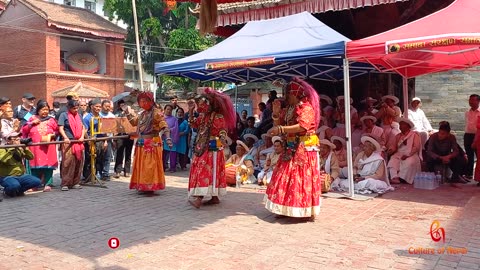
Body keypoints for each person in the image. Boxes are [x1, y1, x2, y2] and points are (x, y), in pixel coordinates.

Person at [265, 77, 321, 221]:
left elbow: (303, 126)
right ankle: (283, 207)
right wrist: (276, 113)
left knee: (300, 178)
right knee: (284, 176)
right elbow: (279, 123)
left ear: (295, 94)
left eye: (288, 94)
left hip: (304, 148)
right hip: (290, 147)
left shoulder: (306, 108)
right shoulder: (289, 108)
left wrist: (280, 129)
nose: (285, 97)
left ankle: (304, 210)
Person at [187, 88, 235, 208]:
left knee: (206, 170)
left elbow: (223, 130)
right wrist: (191, 111)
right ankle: (214, 197)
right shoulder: (203, 117)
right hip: (202, 147)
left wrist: (223, 138)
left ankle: (199, 198)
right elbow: (194, 125)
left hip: (212, 149)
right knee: (208, 171)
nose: (201, 106)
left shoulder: (218, 117)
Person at [125, 92, 172, 193]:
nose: (143, 103)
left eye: (145, 101)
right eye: (141, 101)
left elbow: (163, 125)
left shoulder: (156, 112)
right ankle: (142, 185)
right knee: (142, 165)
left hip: (151, 143)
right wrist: (127, 112)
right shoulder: (142, 114)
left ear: (150, 101)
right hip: (141, 143)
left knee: (149, 165)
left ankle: (150, 186)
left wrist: (168, 138)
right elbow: (134, 122)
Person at [21, 101, 58, 192]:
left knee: (48, 166)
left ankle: (48, 184)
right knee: (35, 166)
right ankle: (34, 185)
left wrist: (52, 135)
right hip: (35, 147)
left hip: (48, 147)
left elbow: (57, 131)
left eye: (47, 109)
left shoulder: (52, 120)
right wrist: (32, 123)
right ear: (38, 110)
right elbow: (24, 130)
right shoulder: (31, 118)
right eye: (43, 109)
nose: (45, 112)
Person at [0, 132, 42, 197]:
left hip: (20, 175)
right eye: (15, 138)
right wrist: (12, 148)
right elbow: (3, 160)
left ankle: (18, 191)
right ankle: (6, 192)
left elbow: (31, 157)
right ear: (8, 140)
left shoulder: (19, 149)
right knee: (14, 185)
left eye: (18, 138)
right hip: (7, 176)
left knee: (37, 181)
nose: (18, 140)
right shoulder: (2, 149)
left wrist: (25, 148)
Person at [58, 100, 85, 191]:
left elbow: (83, 127)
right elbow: (60, 128)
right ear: (69, 108)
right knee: (67, 163)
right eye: (74, 108)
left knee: (78, 162)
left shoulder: (79, 116)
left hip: (78, 142)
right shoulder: (64, 115)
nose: (76, 110)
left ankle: (76, 182)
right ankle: (65, 183)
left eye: (77, 108)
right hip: (68, 143)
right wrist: (65, 137)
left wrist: (81, 136)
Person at [387, 117, 421, 184]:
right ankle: (395, 177)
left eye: (402, 124)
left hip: (411, 154)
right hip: (399, 154)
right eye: (400, 125)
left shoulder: (414, 135)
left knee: (409, 162)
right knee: (392, 159)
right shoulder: (398, 136)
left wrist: (407, 155)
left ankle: (402, 178)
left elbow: (416, 147)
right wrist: (390, 150)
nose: (400, 126)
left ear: (408, 126)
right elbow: (393, 146)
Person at [113, 100, 134, 178]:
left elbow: (134, 122)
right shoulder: (116, 113)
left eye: (124, 105)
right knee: (119, 154)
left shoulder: (131, 112)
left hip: (129, 136)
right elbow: (114, 126)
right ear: (119, 106)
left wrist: (128, 113)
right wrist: (114, 139)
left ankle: (127, 171)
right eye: (121, 105)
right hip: (120, 136)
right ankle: (117, 171)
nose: (123, 106)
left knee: (128, 154)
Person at [464, 94, 480, 180]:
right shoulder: (467, 112)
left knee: (479, 156)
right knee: (469, 155)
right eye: (470, 100)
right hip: (468, 135)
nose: (471, 102)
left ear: (478, 101)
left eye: (473, 100)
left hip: (478, 135)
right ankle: (469, 173)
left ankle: (478, 176)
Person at [163, 104, 179, 173]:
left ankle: (172, 167)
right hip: (163, 138)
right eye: (168, 109)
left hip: (172, 138)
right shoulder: (161, 118)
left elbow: (176, 128)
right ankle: (163, 167)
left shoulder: (174, 119)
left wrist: (169, 130)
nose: (169, 111)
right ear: (164, 110)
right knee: (163, 154)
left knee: (173, 153)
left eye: (170, 110)